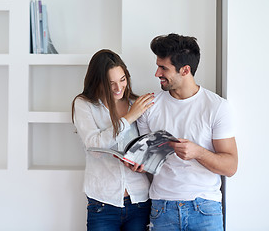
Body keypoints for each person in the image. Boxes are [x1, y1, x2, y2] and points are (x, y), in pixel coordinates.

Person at [136, 33, 238, 231]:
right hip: (162, 208)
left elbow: (231, 167)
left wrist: (198, 152)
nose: (157, 73)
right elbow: (147, 162)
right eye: (158, 66)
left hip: (205, 208)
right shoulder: (149, 106)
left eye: (163, 68)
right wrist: (139, 163)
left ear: (185, 70)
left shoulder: (217, 107)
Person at [71, 49, 154, 231]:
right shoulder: (84, 104)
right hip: (103, 203)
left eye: (122, 80)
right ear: (98, 82)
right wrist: (128, 118)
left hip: (139, 200)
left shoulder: (136, 103)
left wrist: (144, 164)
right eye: (111, 84)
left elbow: (147, 147)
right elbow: (94, 146)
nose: (119, 88)